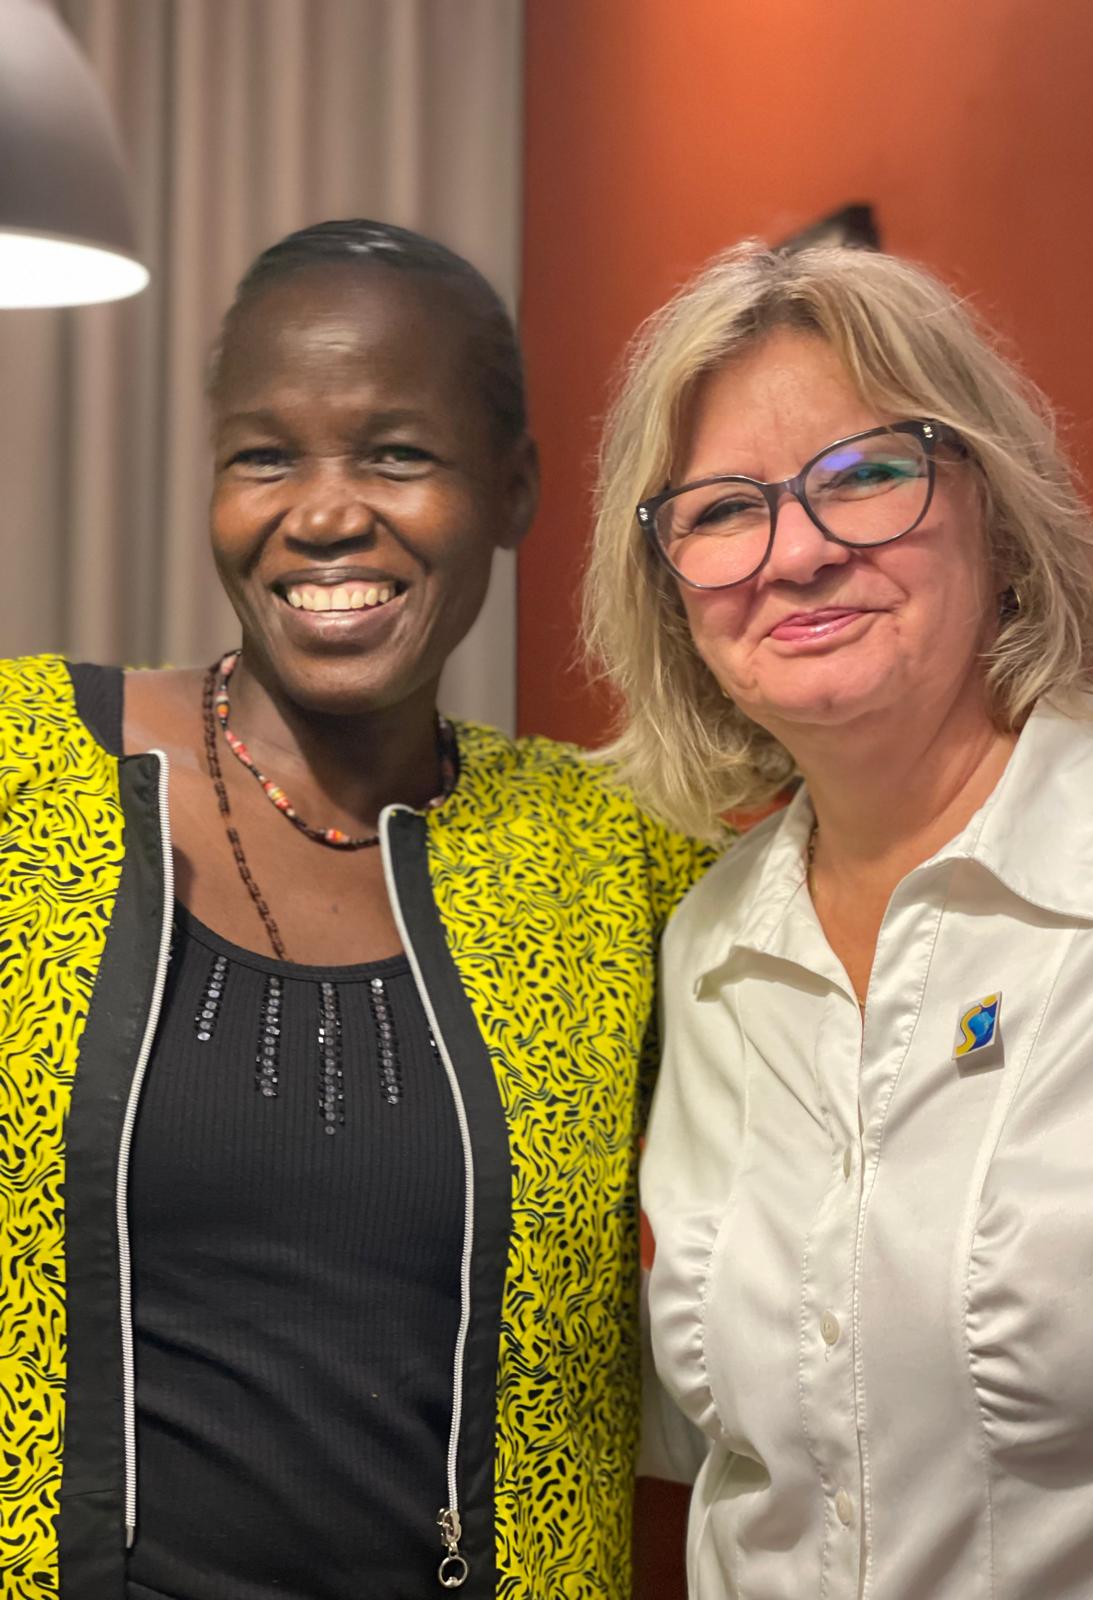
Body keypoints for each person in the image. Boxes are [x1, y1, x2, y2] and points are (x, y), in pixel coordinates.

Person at [0, 219, 712, 1600]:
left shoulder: (611, 856)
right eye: (265, 456)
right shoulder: (26, 769)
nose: (323, 513)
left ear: (513, 488)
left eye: (396, 454)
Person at [584, 241, 1093, 1599]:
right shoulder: (709, 945)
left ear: (997, 507)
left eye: (867, 473)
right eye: (723, 510)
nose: (799, 553)